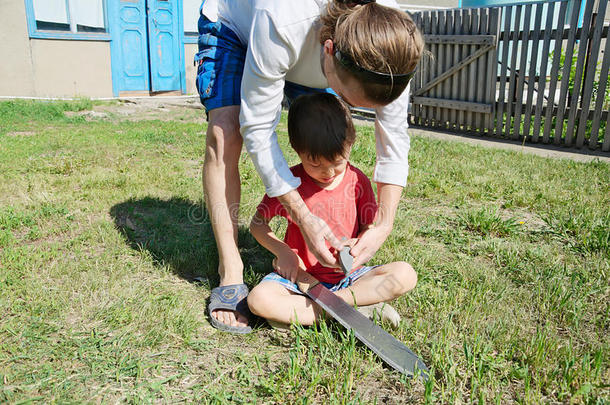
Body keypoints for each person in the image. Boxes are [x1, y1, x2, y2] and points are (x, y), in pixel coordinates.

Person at [196, 0, 424, 333]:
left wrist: (383, 224)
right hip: (236, 28)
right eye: (349, 98)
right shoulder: (282, 17)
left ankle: (330, 308)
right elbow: (258, 128)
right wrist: (302, 219)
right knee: (226, 133)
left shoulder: (390, 37)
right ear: (329, 51)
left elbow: (393, 138)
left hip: (314, 50)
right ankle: (230, 269)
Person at [247, 93, 417, 327]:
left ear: (350, 145)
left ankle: (328, 307)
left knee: (405, 274)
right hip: (300, 279)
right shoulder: (289, 184)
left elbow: (369, 227)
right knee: (259, 299)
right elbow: (257, 224)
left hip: (348, 279)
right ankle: (354, 308)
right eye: (315, 164)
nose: (327, 173)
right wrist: (284, 252)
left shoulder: (357, 181)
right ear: (297, 149)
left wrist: (357, 244)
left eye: (337, 163)